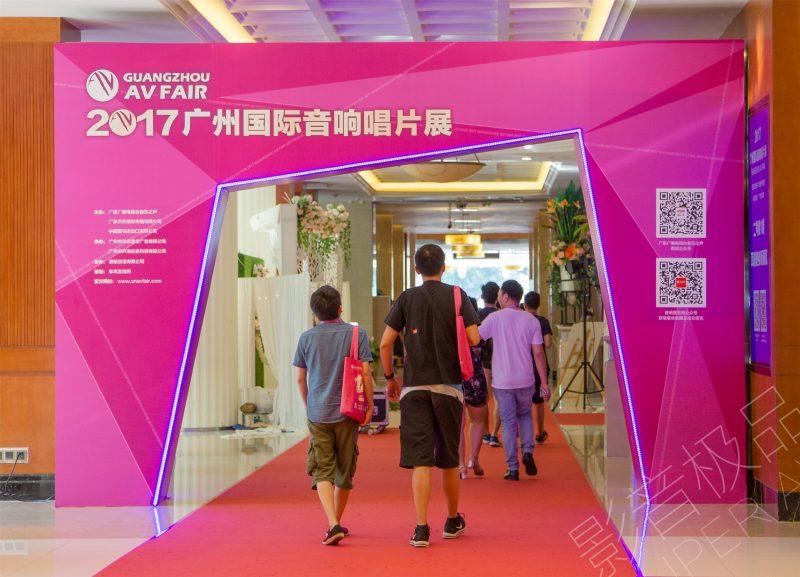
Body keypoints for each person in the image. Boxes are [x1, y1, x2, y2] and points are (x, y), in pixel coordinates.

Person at [380, 244, 480, 548]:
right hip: (448, 387)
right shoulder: (458, 295)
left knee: (420, 460)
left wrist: (390, 378)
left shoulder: (406, 298)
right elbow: (474, 337)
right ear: (444, 267)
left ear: (416, 269)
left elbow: (385, 343)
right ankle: (451, 521)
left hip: (414, 388)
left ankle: (421, 528)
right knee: (448, 459)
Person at [293, 285, 374, 546]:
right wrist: (369, 405)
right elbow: (365, 373)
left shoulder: (306, 338)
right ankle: (335, 521)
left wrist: (309, 403)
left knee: (322, 469)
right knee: (345, 468)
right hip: (348, 411)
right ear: (340, 308)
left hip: (318, 412)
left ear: (314, 313)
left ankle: (333, 523)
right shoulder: (357, 334)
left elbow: (300, 379)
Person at [478, 280, 549, 480]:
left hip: (502, 381)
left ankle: (512, 468)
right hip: (526, 379)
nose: (498, 298)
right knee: (525, 415)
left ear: (506, 296)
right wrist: (544, 383)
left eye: (500, 294)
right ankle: (527, 451)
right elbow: (538, 354)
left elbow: (476, 337)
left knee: (508, 423)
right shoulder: (531, 320)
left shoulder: (495, 318)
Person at [458, 297, 488, 478]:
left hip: (455, 379)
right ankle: (473, 458)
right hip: (476, 379)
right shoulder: (479, 332)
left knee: (458, 425)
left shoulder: (451, 332)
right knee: (478, 421)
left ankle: (461, 466)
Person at [524, 291, 554, 443]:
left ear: (525, 304)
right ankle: (540, 432)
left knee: (523, 403)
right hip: (540, 367)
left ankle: (524, 435)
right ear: (539, 304)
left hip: (523, 365)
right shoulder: (543, 321)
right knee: (539, 402)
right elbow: (548, 344)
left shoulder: (521, 321)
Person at [477, 282, 501, 447]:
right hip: (500, 359)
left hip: (482, 359)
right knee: (499, 397)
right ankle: (494, 435)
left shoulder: (477, 315)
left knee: (484, 397)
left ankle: (485, 432)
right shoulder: (501, 315)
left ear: (482, 297)